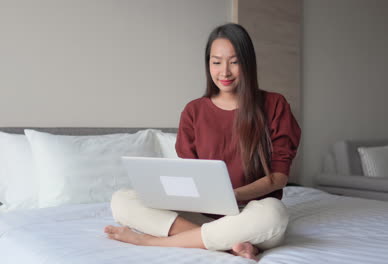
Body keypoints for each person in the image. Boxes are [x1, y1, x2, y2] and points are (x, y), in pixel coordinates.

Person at [104, 23, 301, 261]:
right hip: (202, 215)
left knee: (274, 214)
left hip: (250, 216)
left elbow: (279, 178)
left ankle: (155, 241)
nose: (224, 72)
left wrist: (231, 196)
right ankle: (231, 245)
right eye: (216, 62)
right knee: (122, 201)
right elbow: (192, 177)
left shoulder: (274, 105)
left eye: (234, 62)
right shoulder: (193, 111)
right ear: (208, 64)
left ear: (248, 63)